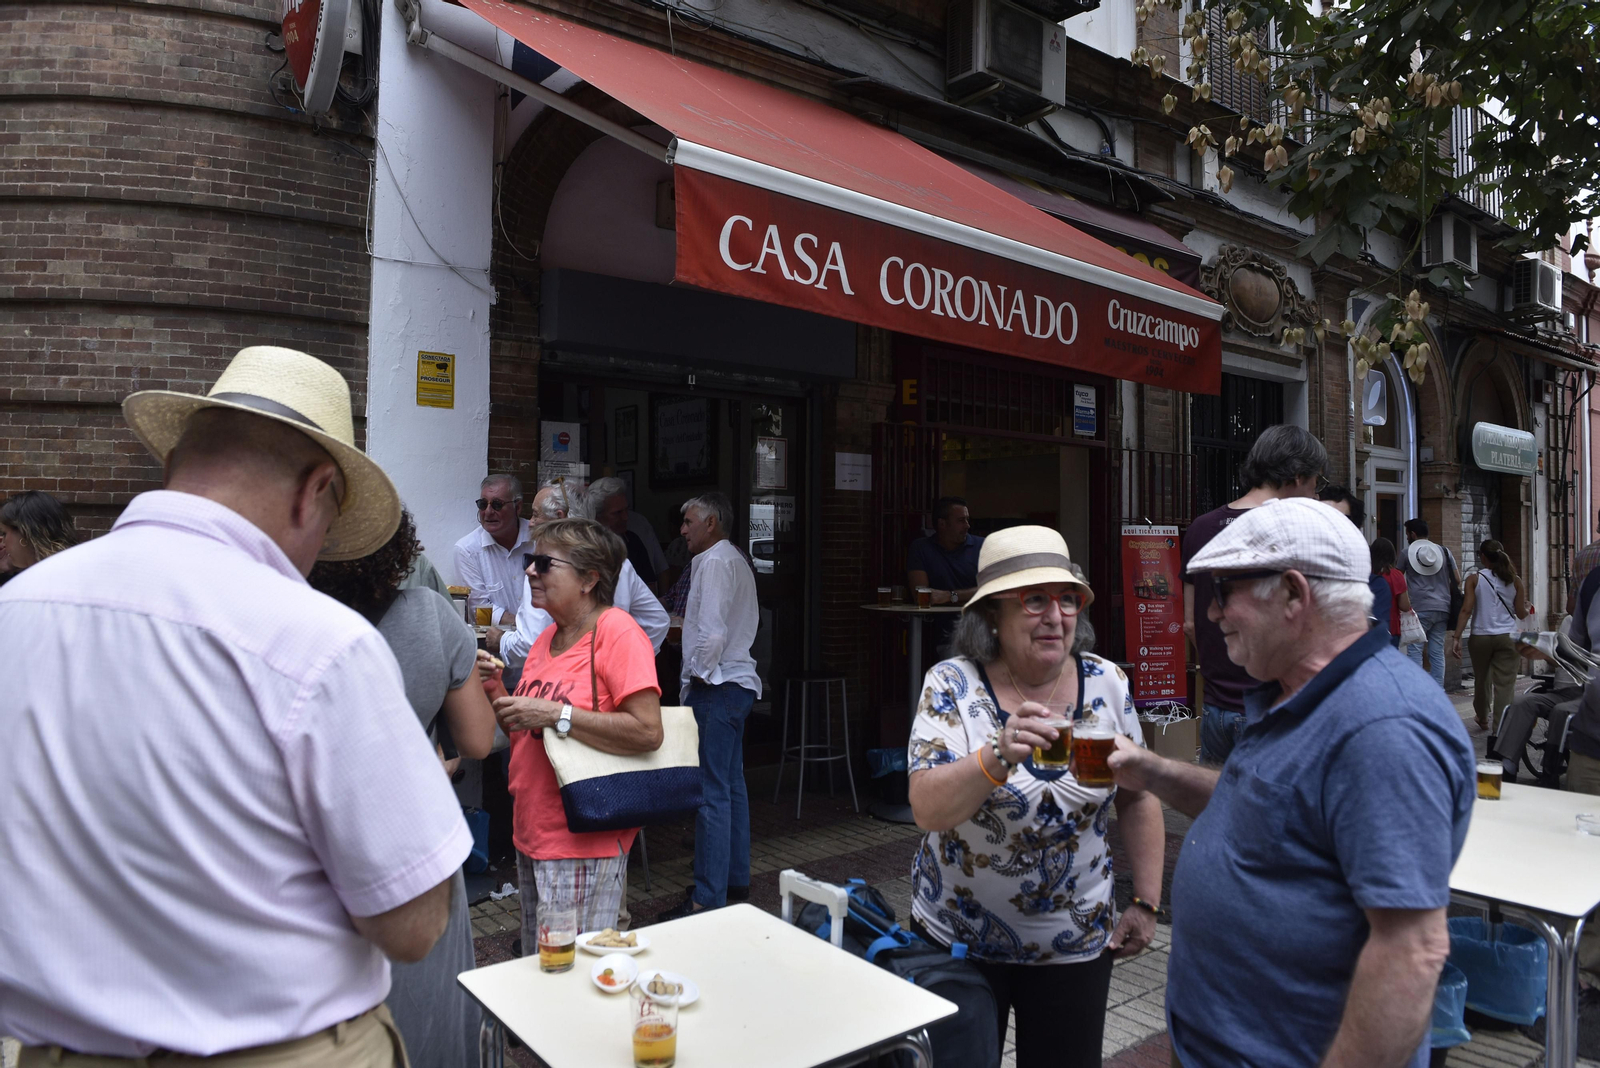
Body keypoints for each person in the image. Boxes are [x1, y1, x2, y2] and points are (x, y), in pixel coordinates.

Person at [0, 346, 470, 1065]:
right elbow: (410, 926)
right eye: (329, 527)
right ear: (313, 492)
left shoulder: (17, 608)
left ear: (174, 469)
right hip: (280, 1049)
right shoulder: (318, 643)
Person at [1111, 497, 1474, 1068]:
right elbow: (1258, 809)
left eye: (1225, 591)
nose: (1210, 615)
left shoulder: (1383, 727)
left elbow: (1411, 952)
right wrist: (1151, 770)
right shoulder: (1298, 693)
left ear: (1294, 594)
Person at [905, 527, 1165, 1068]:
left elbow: (1137, 798)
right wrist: (996, 756)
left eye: (1067, 598)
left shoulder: (1107, 683)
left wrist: (1145, 899)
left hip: (1074, 943)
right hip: (957, 939)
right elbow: (927, 808)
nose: (1056, 615)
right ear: (992, 616)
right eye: (1035, 599)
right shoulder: (953, 685)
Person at [308, 509, 497, 1068]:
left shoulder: (297, 617)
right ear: (398, 550)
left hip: (320, 843)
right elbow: (479, 740)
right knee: (426, 1002)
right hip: (414, 835)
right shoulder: (429, 615)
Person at [481, 518, 664, 938]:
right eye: (531, 560)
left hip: (583, 838)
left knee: (573, 981)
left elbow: (648, 731)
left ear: (588, 579)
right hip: (533, 833)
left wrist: (554, 714)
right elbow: (524, 734)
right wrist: (493, 689)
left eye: (543, 563)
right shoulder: (547, 640)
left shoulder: (617, 632)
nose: (529, 571)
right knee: (544, 973)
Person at [1184, 424, 1326, 763]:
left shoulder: (1201, 527)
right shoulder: (1295, 530)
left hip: (1216, 707)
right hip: (1274, 707)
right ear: (1295, 474)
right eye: (1314, 480)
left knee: (1218, 812)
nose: (1314, 492)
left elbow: (1189, 623)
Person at [660, 492, 761, 919]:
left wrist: (698, 675)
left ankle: (707, 897)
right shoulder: (731, 557)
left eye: (689, 521)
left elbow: (713, 632)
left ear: (712, 523)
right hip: (736, 684)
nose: (682, 530)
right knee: (731, 785)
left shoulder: (717, 560)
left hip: (717, 684)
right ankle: (734, 877)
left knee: (711, 794)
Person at [493, 480, 668, 682]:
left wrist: (501, 640)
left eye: (535, 514)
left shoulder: (544, 564)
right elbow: (657, 621)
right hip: (608, 687)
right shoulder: (616, 560)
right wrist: (624, 663)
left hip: (561, 687)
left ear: (559, 517)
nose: (530, 522)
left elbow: (531, 641)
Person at [1451, 539, 1528, 732]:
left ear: (1483, 557)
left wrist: (1457, 637)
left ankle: (1483, 717)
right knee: (1505, 685)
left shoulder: (1474, 579)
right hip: (1508, 637)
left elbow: (1466, 610)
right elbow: (1520, 613)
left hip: (1480, 637)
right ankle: (1500, 729)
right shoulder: (1515, 580)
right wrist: (1527, 608)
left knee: (1481, 678)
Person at [453, 473, 534, 626]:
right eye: (483, 504)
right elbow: (479, 609)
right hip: (497, 644)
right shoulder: (467, 550)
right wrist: (527, 627)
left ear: (518, 507)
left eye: (497, 504)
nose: (488, 512)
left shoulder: (539, 537)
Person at [1318, 484, 1390, 627]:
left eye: (1341, 520)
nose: (1329, 527)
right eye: (1321, 517)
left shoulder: (1373, 587)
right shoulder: (1288, 581)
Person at [1400, 519, 1461, 687]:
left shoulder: (1406, 553)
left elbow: (1398, 578)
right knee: (1436, 652)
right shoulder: (1444, 552)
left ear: (1412, 534)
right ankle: (1438, 692)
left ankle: (1417, 692)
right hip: (1443, 608)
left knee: (1415, 650)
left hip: (1419, 608)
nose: (1407, 537)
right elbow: (1457, 579)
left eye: (1407, 534)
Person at [906, 496, 983, 605]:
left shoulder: (982, 546)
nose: (967, 526)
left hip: (974, 619)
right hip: (934, 620)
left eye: (967, 520)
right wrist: (969, 595)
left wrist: (949, 596)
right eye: (961, 521)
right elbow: (921, 597)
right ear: (942, 524)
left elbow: (993, 590)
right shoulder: (921, 548)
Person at [589, 476, 660, 588]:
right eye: (617, 513)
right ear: (597, 516)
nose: (626, 517)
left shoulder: (633, 542)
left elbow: (649, 587)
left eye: (626, 510)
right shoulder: (584, 546)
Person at [0, 490, 79, 583]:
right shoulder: (67, 569)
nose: (3, 542)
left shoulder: (47, 581)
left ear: (24, 533)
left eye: (4, 533)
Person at [1371, 538, 1411, 647]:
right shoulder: (1396, 575)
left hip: (1369, 628)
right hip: (1391, 628)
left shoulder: (1367, 573)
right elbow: (1405, 606)